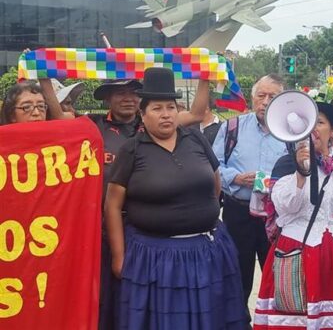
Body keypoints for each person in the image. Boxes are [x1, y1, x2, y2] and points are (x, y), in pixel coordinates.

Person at [104, 67, 246, 329]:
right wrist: (119, 256)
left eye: (170, 107)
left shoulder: (195, 138)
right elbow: (112, 205)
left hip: (206, 251)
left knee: (211, 318)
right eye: (157, 108)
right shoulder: (132, 150)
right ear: (142, 114)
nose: (166, 114)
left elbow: (214, 184)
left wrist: (200, 215)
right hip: (154, 257)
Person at [93, 76, 208, 330]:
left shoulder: (185, 136)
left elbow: (198, 114)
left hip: (183, 243)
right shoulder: (96, 125)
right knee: (119, 301)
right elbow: (58, 120)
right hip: (119, 232)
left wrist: (205, 73)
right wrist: (43, 74)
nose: (127, 98)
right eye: (119, 92)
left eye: (133, 93)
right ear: (107, 98)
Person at [254, 101, 333, 330]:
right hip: (297, 255)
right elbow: (285, 206)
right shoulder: (286, 165)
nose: (312, 129)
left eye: (319, 123)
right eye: (307, 123)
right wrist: (301, 174)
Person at [212, 74, 288, 328]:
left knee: (276, 274)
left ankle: (273, 323)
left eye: (272, 97)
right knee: (237, 273)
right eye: (261, 95)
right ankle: (238, 322)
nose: (265, 102)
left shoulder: (292, 132)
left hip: (277, 216)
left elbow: (302, 170)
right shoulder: (232, 127)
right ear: (252, 98)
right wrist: (235, 178)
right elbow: (212, 166)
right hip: (238, 211)